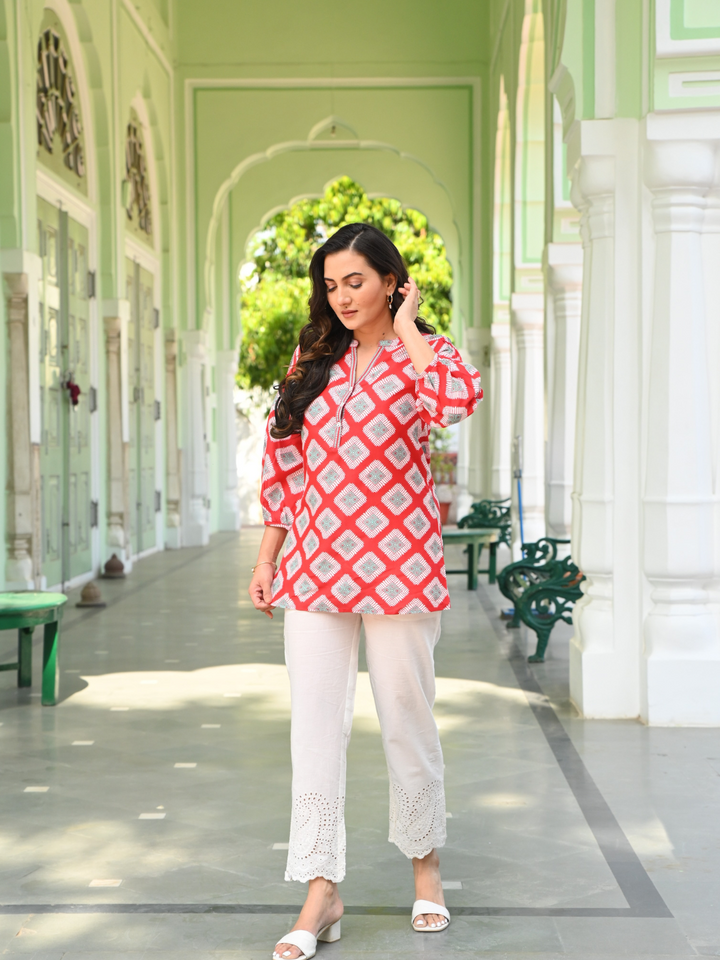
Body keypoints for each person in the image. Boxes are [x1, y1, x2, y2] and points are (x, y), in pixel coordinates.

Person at [248, 222, 482, 960]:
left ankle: (426, 869)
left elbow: (453, 401)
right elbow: (284, 463)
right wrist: (267, 556)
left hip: (400, 568)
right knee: (313, 729)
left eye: (356, 281)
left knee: (407, 717)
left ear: (390, 280)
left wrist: (409, 326)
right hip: (314, 568)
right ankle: (321, 890)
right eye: (331, 284)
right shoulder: (313, 357)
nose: (342, 296)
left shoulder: (427, 355)